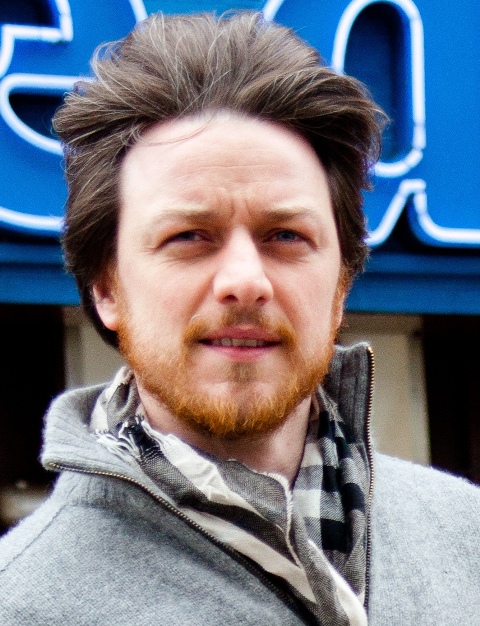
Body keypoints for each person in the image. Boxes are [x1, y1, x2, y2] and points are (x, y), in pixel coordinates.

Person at [0, 11, 478, 626]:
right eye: (189, 236)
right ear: (107, 289)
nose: (246, 281)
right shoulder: (22, 604)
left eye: (285, 235)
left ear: (341, 284)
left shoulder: (465, 537)